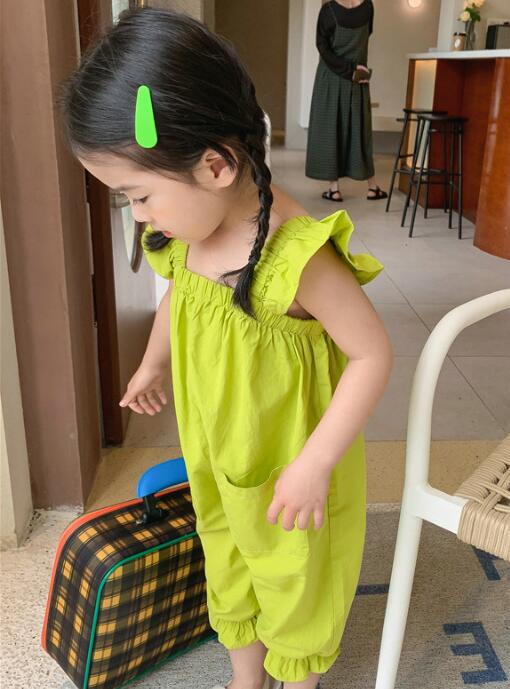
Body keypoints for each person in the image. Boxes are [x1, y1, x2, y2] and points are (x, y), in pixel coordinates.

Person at [58, 8, 393, 689]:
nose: (140, 216)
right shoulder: (189, 233)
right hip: (215, 447)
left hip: (290, 459)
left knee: (294, 574)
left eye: (139, 196)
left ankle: (296, 676)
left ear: (215, 164)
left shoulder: (296, 256)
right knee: (226, 550)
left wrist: (315, 463)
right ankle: (247, 676)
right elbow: (182, 295)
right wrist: (153, 361)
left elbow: (372, 355)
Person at [306, 0, 387, 203]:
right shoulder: (368, 7)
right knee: (360, 130)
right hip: (358, 77)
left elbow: (322, 47)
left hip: (331, 78)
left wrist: (348, 70)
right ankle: (372, 187)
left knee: (330, 130)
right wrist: (354, 69)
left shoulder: (328, 11)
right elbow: (365, 36)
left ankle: (334, 190)